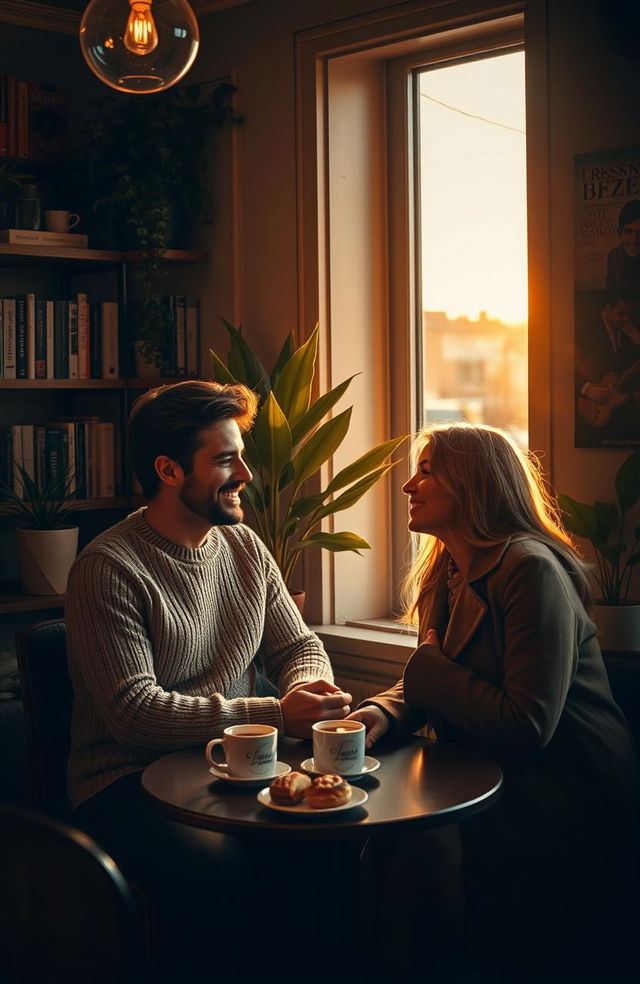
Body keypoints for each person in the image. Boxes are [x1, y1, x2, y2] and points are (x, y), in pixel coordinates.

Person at [66, 379, 352, 982]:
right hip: (122, 782)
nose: (246, 473)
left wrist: (305, 689)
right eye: (225, 459)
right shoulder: (107, 566)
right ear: (168, 470)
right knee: (216, 868)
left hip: (232, 769)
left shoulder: (244, 545)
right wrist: (277, 715)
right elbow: (134, 713)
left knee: (331, 845)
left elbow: (297, 644)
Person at [349, 423, 638, 983]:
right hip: (488, 778)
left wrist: (426, 675)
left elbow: (529, 722)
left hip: (564, 790)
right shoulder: (445, 570)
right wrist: (378, 713)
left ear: (474, 483)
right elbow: (430, 675)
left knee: (414, 847)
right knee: (394, 842)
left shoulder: (530, 569)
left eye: (427, 470)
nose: (410, 485)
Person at [575, 290, 640, 444]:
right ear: (608, 308)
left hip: (620, 407)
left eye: (628, 313)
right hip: (590, 408)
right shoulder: (585, 329)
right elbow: (565, 366)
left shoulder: (629, 332)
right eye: (621, 313)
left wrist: (638, 341)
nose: (626, 319)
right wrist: (587, 388)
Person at [606, 199, 640, 290]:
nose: (634, 239)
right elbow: (610, 293)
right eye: (628, 231)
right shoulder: (613, 257)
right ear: (619, 232)